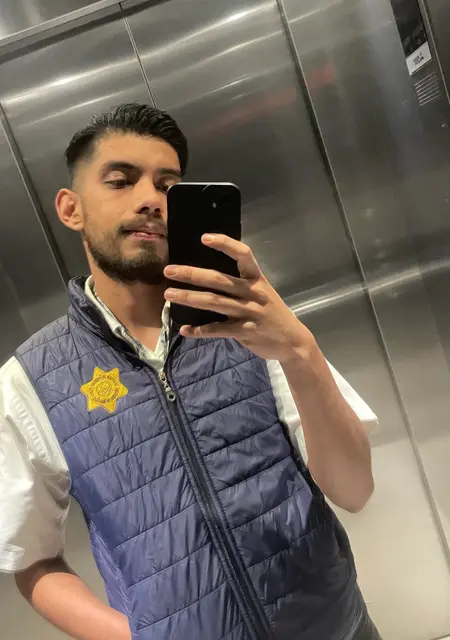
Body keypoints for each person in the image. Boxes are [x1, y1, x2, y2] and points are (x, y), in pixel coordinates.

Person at [0, 103, 381, 640]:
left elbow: (354, 489)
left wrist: (301, 351)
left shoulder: (252, 323)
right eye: (120, 180)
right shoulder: (31, 381)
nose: (150, 199)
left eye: (168, 186)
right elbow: (31, 559)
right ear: (71, 208)